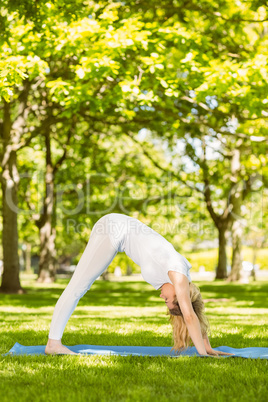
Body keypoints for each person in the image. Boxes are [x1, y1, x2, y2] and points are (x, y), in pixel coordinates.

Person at [45, 213, 232, 356]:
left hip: (116, 231)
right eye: (166, 299)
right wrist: (202, 353)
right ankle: (53, 344)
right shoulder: (178, 274)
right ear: (178, 293)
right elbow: (189, 314)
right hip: (113, 229)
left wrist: (207, 346)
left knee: (79, 286)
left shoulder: (180, 279)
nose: (161, 297)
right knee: (78, 286)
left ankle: (54, 343)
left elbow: (193, 310)